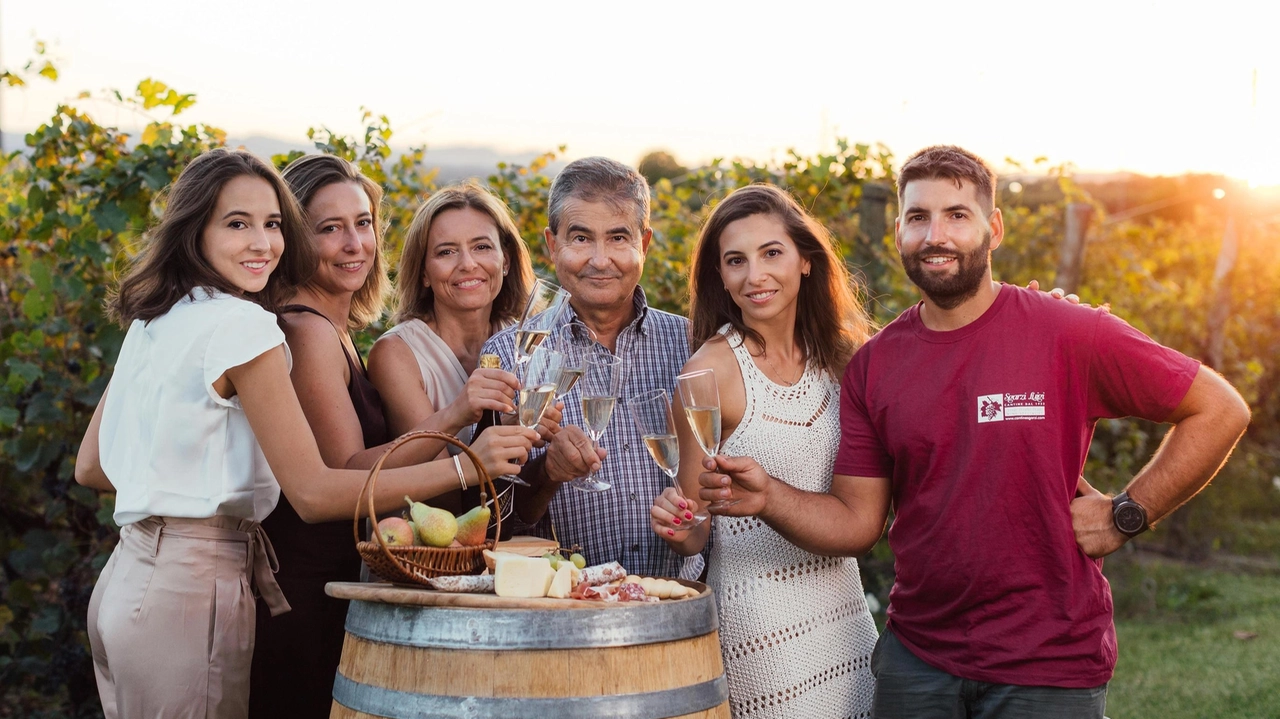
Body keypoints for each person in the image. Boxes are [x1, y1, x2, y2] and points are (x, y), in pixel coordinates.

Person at [697, 146, 1251, 719]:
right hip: (917, 662)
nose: (936, 235)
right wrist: (768, 496)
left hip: (1047, 665)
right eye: (918, 218)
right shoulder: (875, 365)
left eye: (957, 215)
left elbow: (1219, 408)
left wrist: (1127, 512)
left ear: (994, 227)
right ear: (898, 233)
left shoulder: (1066, 331)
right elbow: (859, 523)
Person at [74, 148, 536, 719]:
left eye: (271, 225)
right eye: (239, 224)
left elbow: (92, 467)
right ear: (196, 230)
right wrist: (469, 465)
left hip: (128, 578)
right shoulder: (256, 326)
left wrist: (191, 474)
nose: (262, 242)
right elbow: (317, 493)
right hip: (204, 584)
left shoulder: (156, 316)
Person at [248, 159, 536, 718]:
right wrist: (460, 437)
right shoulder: (306, 331)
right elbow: (348, 473)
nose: (354, 243)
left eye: (363, 223)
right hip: (308, 592)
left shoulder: (333, 329)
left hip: (338, 586)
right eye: (328, 228)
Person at [649, 184, 880, 717]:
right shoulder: (710, 372)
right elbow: (695, 525)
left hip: (847, 617)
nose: (754, 276)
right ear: (720, 276)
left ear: (805, 260)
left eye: (771, 253)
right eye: (735, 261)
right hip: (758, 623)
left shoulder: (849, 357)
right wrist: (680, 523)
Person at [483, 157, 698, 578]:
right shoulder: (510, 356)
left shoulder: (692, 347)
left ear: (645, 244)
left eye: (618, 238)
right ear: (552, 244)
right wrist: (547, 473)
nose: (600, 260)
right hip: (563, 617)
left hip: (676, 609)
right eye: (581, 238)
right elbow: (496, 521)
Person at [367, 181, 536, 515]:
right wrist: (501, 434)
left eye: (482, 247)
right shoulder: (398, 353)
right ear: (425, 273)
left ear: (505, 260)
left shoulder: (527, 344)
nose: (468, 264)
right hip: (425, 556)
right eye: (446, 252)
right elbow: (441, 502)